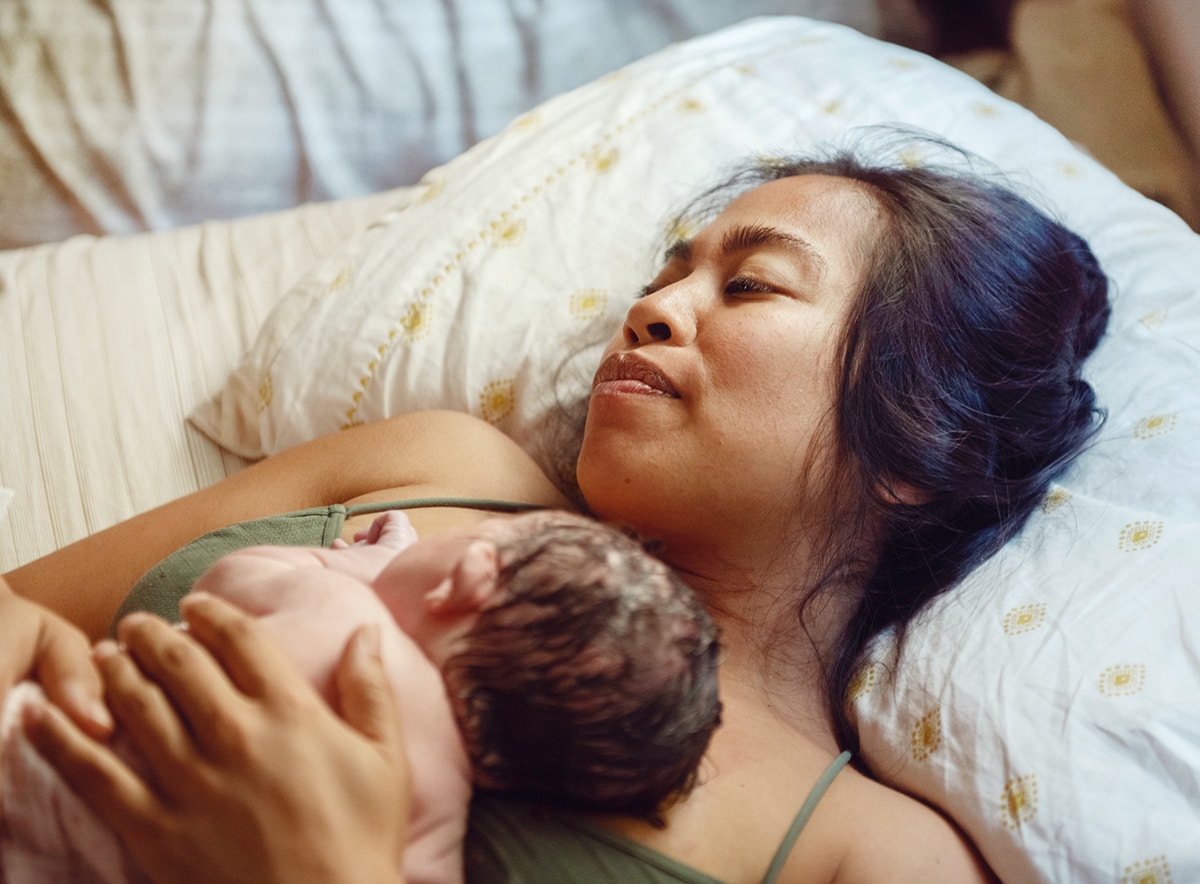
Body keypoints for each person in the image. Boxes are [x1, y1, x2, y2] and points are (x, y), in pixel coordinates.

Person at [4, 139, 1110, 883]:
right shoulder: (438, 464)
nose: (652, 308)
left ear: (923, 442)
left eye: (752, 285)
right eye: (669, 272)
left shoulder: (868, 856)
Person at [1, 509, 721, 883]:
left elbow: (223, 587)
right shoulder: (443, 806)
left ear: (467, 578)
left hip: (38, 758)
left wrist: (349, 567)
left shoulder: (349, 616)